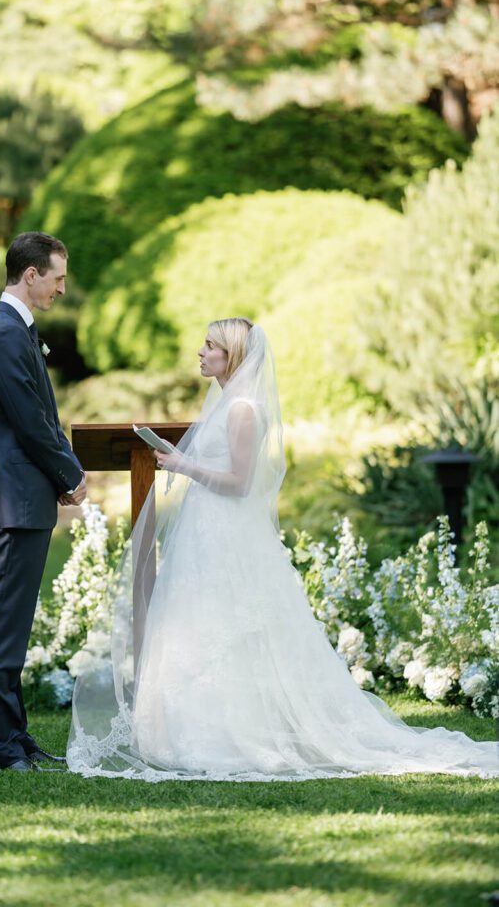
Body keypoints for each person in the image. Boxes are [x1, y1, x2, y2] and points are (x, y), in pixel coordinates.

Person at [66, 317, 499, 782]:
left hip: (226, 531)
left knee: (231, 627)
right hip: (206, 531)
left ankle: (229, 734)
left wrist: (184, 464)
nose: (201, 352)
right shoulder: (226, 402)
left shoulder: (242, 409)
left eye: (210, 346)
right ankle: (183, 728)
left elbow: (239, 482)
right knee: (199, 621)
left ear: (230, 355)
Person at [0, 232, 87, 771]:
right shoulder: (2, 334)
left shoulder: (18, 331)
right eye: (58, 277)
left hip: (28, 495)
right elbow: (29, 422)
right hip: (16, 498)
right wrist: (70, 471)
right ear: (32, 275)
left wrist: (65, 470)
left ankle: (15, 736)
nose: (62, 289)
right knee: (3, 625)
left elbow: (44, 414)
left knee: (15, 626)